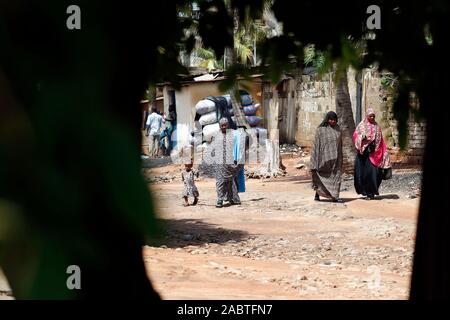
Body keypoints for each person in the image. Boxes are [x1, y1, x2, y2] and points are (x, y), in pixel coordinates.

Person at [205, 118, 246, 208]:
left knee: (231, 181)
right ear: (219, 126)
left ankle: (233, 198)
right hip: (219, 163)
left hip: (230, 162)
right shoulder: (216, 136)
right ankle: (220, 199)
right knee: (220, 181)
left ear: (228, 125)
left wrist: (238, 159)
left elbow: (238, 147)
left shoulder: (234, 135)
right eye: (221, 125)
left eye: (225, 125)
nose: (223, 127)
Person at [353, 108, 392, 200]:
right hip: (362, 154)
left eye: (373, 116)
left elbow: (380, 140)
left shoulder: (377, 126)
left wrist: (384, 151)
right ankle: (365, 192)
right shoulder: (361, 125)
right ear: (367, 116)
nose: (372, 117)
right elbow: (355, 135)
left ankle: (371, 193)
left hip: (373, 154)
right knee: (361, 174)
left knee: (372, 174)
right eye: (370, 116)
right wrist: (362, 137)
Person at [310, 111, 343, 203]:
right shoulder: (320, 130)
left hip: (336, 159)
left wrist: (340, 157)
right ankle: (317, 195)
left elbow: (340, 145)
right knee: (320, 177)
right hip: (323, 159)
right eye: (331, 119)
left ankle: (335, 196)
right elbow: (317, 145)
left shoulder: (338, 129)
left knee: (335, 177)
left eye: (334, 120)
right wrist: (316, 159)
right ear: (327, 119)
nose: (333, 121)